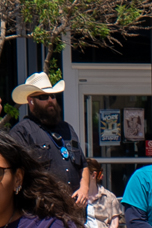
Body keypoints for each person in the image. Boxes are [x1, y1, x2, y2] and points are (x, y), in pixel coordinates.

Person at [10, 72, 91, 204]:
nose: (50, 100)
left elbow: (83, 165)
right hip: (43, 209)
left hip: (74, 208)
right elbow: (18, 174)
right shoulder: (21, 132)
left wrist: (84, 188)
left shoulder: (67, 128)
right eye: (43, 97)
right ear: (31, 101)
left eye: (52, 96)